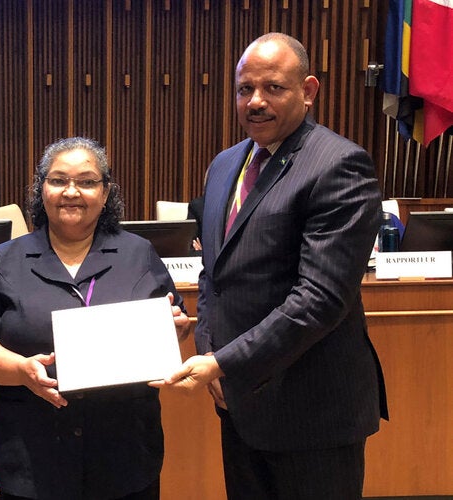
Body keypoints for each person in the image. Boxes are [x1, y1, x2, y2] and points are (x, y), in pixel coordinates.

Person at [152, 33, 388, 499]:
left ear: (308, 90)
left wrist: (221, 362)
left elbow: (319, 301)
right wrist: (209, 344)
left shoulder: (338, 165)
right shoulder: (224, 165)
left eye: (274, 88)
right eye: (244, 89)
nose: (255, 102)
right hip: (240, 404)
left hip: (312, 411)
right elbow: (214, 273)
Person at [0, 136, 191, 499]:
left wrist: (174, 328)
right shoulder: (6, 259)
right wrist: (20, 370)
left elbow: (176, 323)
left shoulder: (139, 254)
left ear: (106, 191)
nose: (71, 191)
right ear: (41, 188)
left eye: (86, 181)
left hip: (124, 454)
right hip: (33, 455)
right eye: (58, 179)